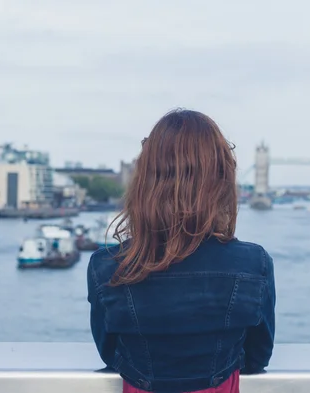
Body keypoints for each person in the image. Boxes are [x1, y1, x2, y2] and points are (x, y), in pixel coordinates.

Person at [87, 109, 276, 393]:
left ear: (144, 181)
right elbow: (257, 357)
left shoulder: (107, 267)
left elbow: (111, 355)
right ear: (221, 180)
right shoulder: (253, 265)